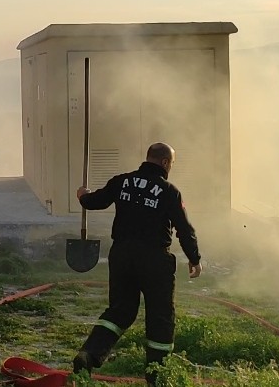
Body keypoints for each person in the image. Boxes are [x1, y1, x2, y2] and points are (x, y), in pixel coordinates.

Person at [71, 142, 202, 386]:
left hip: (121, 256)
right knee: (160, 317)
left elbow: (95, 201)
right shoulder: (169, 191)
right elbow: (184, 229)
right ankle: (156, 376)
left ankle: (89, 354)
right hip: (154, 259)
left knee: (120, 311)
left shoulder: (122, 181)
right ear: (165, 162)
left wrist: (82, 196)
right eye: (171, 163)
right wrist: (194, 259)